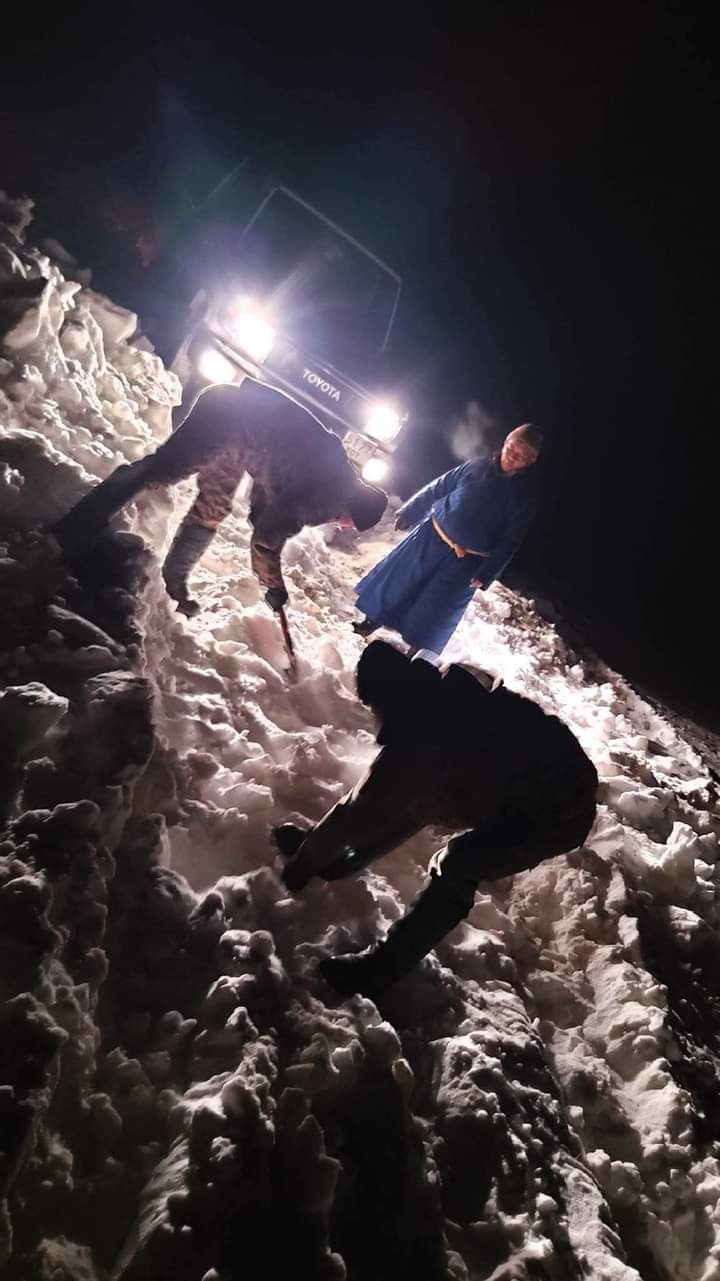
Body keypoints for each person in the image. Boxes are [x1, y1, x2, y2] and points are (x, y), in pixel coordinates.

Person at [274, 641, 597, 997]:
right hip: (544, 781)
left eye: (374, 705)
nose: (374, 715)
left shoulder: (423, 740)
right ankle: (329, 856)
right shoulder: (435, 698)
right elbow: (407, 810)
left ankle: (379, 971)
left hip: (558, 811)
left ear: (387, 698)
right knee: (428, 808)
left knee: (459, 864)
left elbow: (360, 810)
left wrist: (303, 865)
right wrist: (338, 858)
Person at [54, 378, 388, 616]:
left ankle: (173, 583)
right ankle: (77, 525)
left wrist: (261, 509)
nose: (343, 527)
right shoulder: (329, 497)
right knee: (162, 470)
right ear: (353, 509)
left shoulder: (336, 474)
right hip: (229, 419)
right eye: (350, 524)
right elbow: (266, 540)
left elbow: (278, 469)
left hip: (240, 432)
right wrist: (273, 585)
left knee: (213, 506)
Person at [353, 423, 542, 658]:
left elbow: (510, 541)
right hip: (431, 537)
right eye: (513, 447)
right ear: (506, 442)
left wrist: (486, 573)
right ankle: (370, 621)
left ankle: (415, 653)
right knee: (399, 583)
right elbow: (441, 486)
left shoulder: (524, 499)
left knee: (435, 609)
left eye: (521, 455)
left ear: (529, 462)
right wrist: (412, 509)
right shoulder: (476, 467)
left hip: (466, 563)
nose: (513, 455)